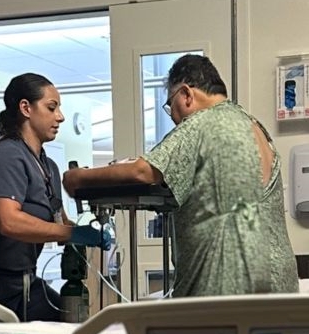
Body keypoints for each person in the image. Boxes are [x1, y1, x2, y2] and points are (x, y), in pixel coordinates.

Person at [63, 54, 299, 297]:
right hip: (279, 282)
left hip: (229, 285)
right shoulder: (252, 125)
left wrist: (79, 177)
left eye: (170, 105)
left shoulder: (203, 122)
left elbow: (142, 171)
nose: (174, 118)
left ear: (186, 94)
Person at [0, 72, 110, 324]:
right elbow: (9, 221)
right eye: (51, 108)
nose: (60, 117)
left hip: (26, 284)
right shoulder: (7, 156)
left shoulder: (48, 166)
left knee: (74, 330)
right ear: (26, 108)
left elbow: (60, 222)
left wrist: (88, 232)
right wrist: (70, 234)